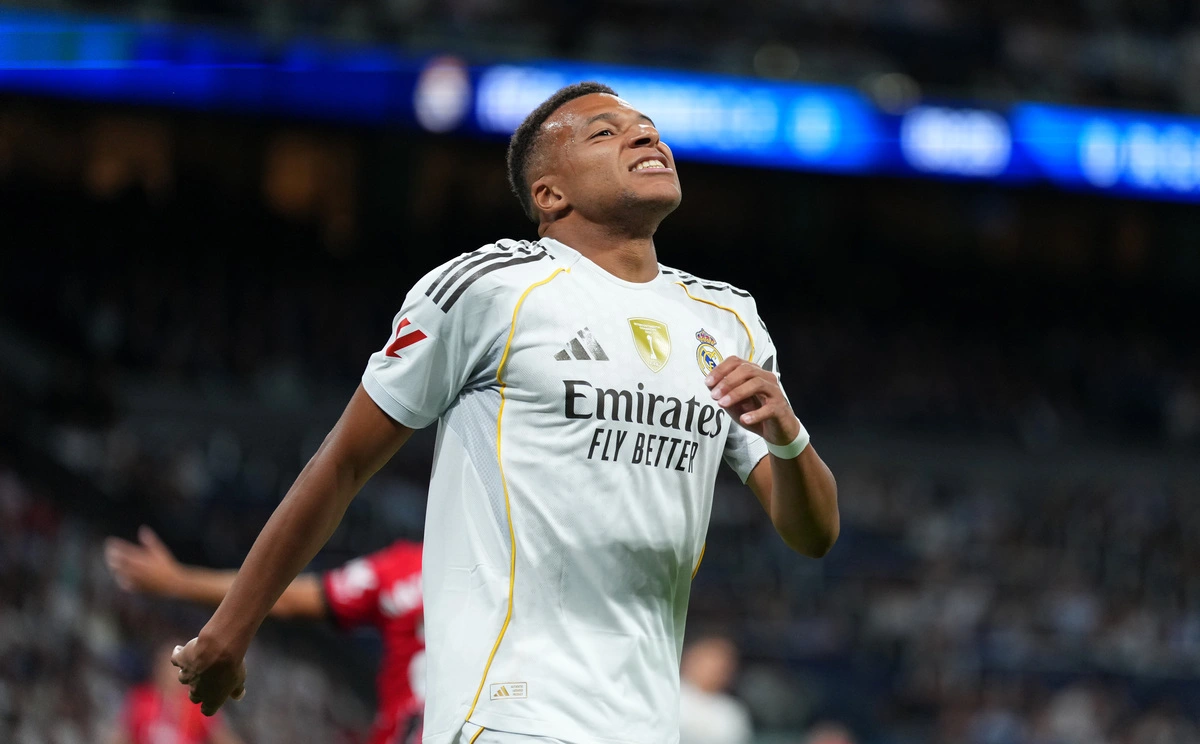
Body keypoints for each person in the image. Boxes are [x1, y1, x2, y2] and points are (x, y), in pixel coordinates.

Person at [170, 81, 840, 744]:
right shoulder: (490, 289)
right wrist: (230, 630)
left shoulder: (728, 319)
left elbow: (813, 533)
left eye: (647, 125)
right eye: (604, 132)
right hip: (507, 715)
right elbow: (342, 462)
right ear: (550, 195)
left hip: (645, 724)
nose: (644, 135)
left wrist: (788, 436)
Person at [105, 526, 425, 744]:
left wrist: (179, 581)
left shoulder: (403, 570)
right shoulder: (142, 704)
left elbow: (283, 598)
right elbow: (285, 598)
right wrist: (178, 581)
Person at [111, 640, 243, 744]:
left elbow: (221, 737)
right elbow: (122, 736)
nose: (171, 673)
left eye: (177, 668)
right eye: (167, 666)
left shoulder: (196, 702)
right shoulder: (142, 699)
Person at [678, 636, 753, 744]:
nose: (714, 669)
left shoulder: (732, 710)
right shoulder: (670, 697)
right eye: (709, 660)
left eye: (723, 664)